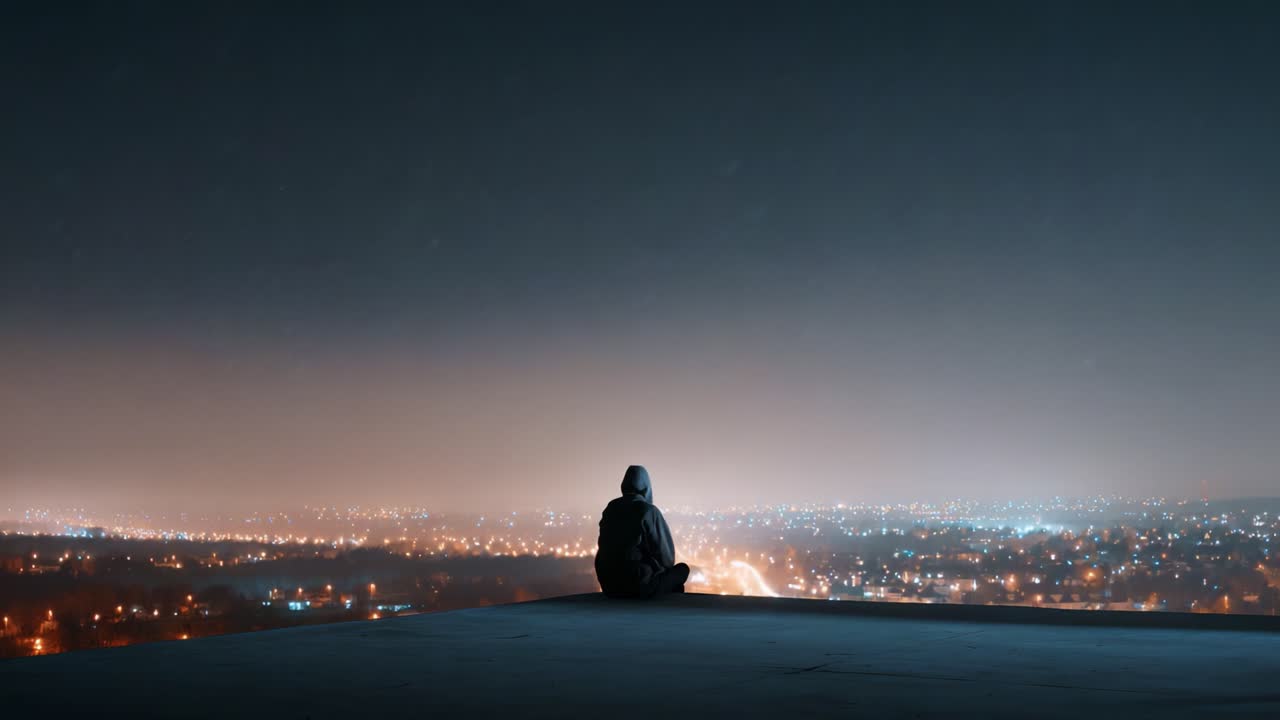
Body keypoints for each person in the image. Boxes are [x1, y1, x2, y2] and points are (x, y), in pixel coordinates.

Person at [595, 465, 690, 598]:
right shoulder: (648, 511)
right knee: (682, 570)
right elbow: (667, 559)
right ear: (646, 488)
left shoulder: (611, 508)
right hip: (637, 585)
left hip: (609, 585)